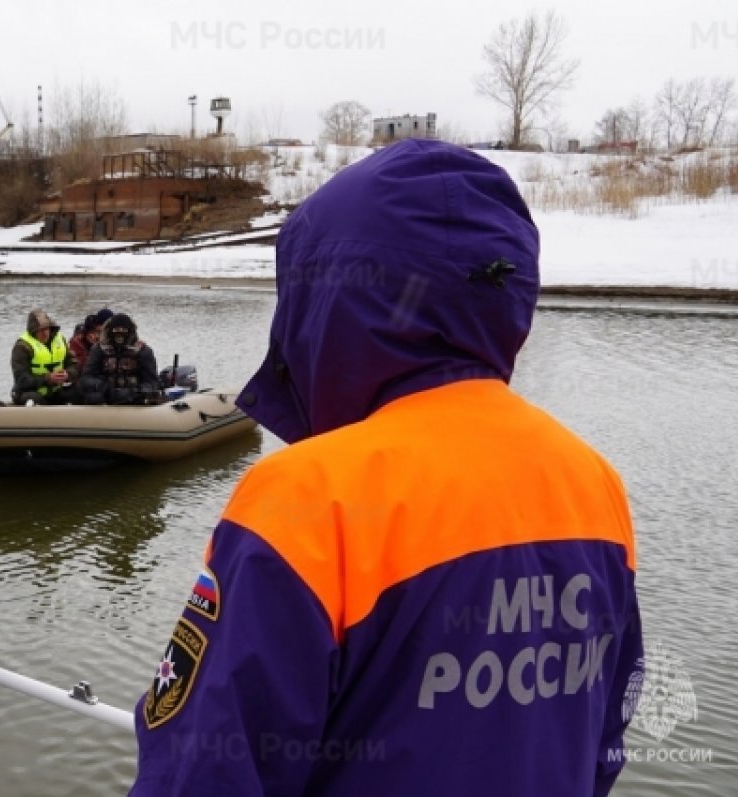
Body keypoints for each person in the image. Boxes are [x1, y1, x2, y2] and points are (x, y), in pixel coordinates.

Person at [129, 140, 643, 796]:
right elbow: (602, 744)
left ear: (329, 300)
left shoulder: (309, 497)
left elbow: (205, 774)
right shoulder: (594, 482)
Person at [80, 313, 160, 405]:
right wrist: (100, 386)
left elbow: (152, 381)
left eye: (124, 330)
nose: (119, 333)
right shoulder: (99, 349)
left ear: (130, 331)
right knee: (92, 397)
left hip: (133, 397)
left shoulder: (143, 351)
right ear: (109, 331)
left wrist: (136, 391)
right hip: (105, 396)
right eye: (116, 330)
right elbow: (86, 378)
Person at [11, 308, 79, 405]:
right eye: (40, 330)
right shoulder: (22, 347)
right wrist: (48, 378)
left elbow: (74, 364)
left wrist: (67, 374)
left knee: (79, 391)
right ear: (33, 331)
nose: (45, 333)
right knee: (32, 398)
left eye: (47, 329)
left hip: (56, 391)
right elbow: (21, 380)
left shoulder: (60, 340)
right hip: (31, 392)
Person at [68, 307, 113, 372]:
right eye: (93, 332)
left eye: (100, 332)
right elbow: (81, 366)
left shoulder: (108, 341)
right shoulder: (77, 343)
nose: (95, 336)